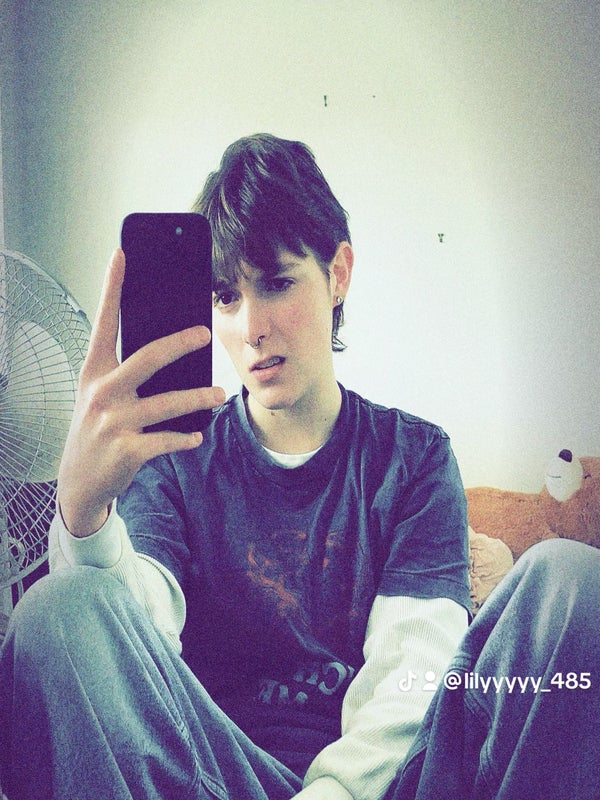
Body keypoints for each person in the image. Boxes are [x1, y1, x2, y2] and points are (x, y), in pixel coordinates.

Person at [0, 133, 597, 800]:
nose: (250, 326)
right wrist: (83, 515)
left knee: (571, 580)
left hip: (389, 784)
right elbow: (139, 646)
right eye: (226, 297)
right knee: (55, 608)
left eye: (277, 283)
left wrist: (334, 792)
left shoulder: (414, 457)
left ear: (338, 273)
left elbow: (413, 674)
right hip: (216, 776)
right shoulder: (171, 457)